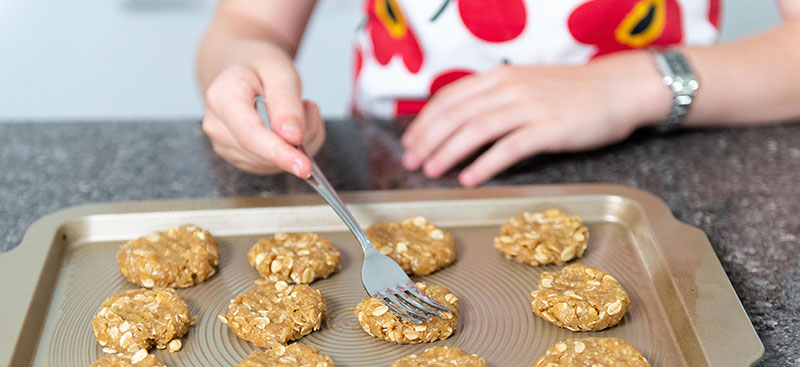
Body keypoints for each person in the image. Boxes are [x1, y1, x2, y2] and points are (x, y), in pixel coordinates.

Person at [196, 0, 800, 187]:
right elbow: (247, 27)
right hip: (403, 171)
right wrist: (243, 77)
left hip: (667, 163)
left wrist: (630, 85)